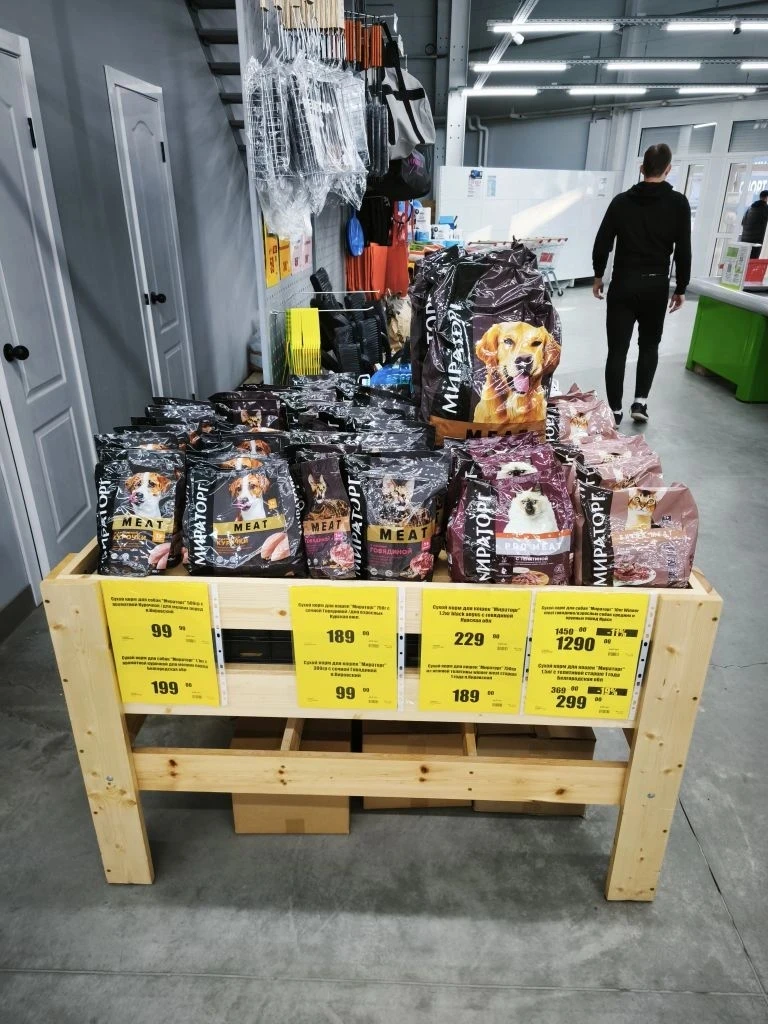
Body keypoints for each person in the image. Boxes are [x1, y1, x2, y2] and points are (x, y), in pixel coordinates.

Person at [592, 143, 692, 426]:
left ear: (641, 168)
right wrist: (681, 287)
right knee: (649, 345)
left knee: (617, 349)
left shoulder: (621, 202)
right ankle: (640, 403)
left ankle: (614, 410)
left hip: (623, 285)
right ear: (668, 169)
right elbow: (683, 249)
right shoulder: (678, 203)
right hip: (656, 286)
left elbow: (603, 242)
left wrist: (598, 275)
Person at [740, 190, 768, 259]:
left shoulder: (750, 208)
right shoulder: (765, 208)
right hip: (756, 242)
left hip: (745, 241)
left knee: (744, 260)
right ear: (767, 197)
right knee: (753, 261)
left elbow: (743, 222)